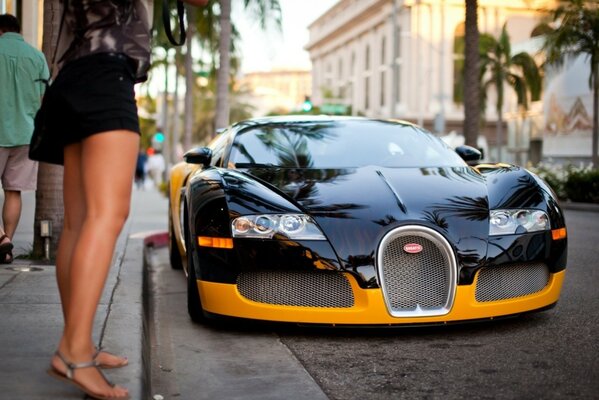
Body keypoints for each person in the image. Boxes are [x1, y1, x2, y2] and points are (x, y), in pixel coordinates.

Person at [32, 1, 207, 399]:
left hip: (72, 74)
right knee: (107, 214)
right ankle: (74, 353)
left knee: (80, 221)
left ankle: (78, 343)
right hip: (107, 73)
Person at [0, 14, 49, 264]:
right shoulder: (37, 57)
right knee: (13, 190)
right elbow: (43, 101)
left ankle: (1, 238)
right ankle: (6, 245)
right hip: (25, 134)